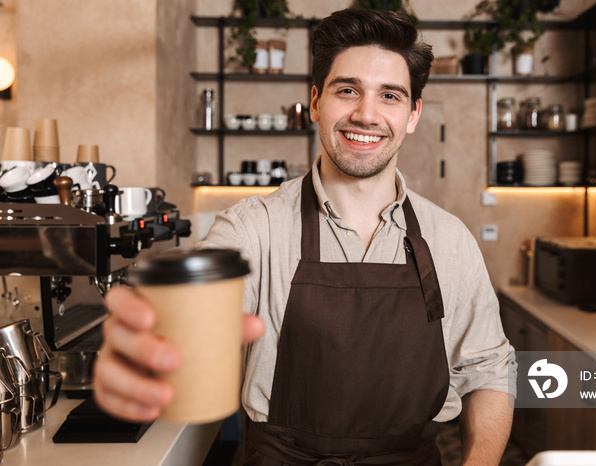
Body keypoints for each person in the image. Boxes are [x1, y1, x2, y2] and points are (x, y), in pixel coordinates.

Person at [94, 8, 516, 466]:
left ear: (413, 114)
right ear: (316, 102)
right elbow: (190, 329)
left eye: (390, 96)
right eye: (347, 90)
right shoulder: (253, 228)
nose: (366, 114)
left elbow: (488, 370)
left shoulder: (450, 240)